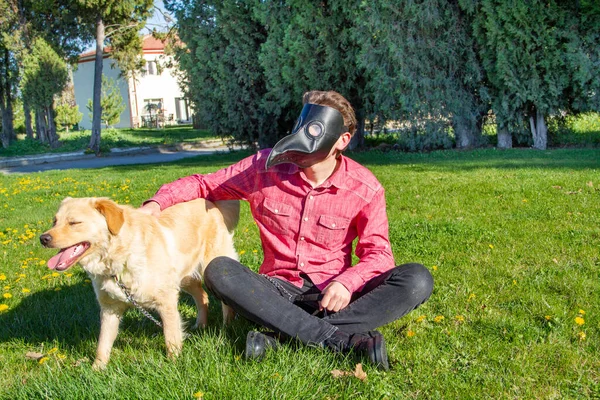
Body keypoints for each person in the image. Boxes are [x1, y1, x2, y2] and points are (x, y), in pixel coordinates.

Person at [140, 90, 433, 370]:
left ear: (342, 139)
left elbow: (379, 255)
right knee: (219, 271)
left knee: (417, 279)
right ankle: (340, 340)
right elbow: (204, 184)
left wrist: (346, 283)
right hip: (276, 289)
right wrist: (156, 203)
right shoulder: (264, 167)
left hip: (334, 293)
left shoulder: (364, 188)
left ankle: (282, 336)